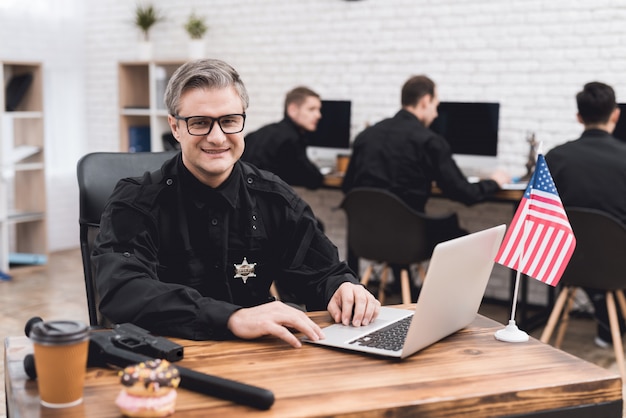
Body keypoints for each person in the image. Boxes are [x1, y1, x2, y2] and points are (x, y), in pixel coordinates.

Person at [92, 59, 379, 348]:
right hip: (169, 363)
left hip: (258, 358)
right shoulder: (136, 201)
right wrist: (231, 318)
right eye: (200, 123)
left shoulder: (274, 197)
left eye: (229, 121)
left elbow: (322, 271)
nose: (217, 138)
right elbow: (121, 290)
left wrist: (342, 288)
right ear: (175, 127)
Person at [341, 75, 510, 294]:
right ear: (425, 101)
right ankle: (449, 302)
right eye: (436, 106)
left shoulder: (365, 136)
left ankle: (401, 286)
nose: (437, 114)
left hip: (366, 238)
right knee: (459, 235)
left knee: (400, 221)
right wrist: (494, 182)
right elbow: (464, 193)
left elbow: (348, 187)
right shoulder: (429, 141)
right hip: (410, 240)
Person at [545, 81, 626, 348]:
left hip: (568, 263)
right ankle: (609, 322)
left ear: (579, 117)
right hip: (618, 266)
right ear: (615, 114)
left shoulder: (555, 158)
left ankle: (604, 316)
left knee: (589, 243)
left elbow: (536, 215)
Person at [241, 86, 325, 189]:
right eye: (311, 109)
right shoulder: (291, 140)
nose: (318, 115)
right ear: (292, 110)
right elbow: (313, 179)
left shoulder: (258, 133)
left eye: (319, 110)